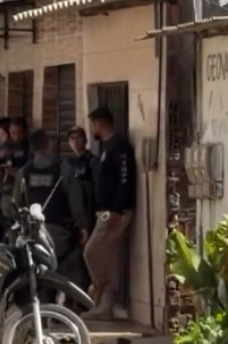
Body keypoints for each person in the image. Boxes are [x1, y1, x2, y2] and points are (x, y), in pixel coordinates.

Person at [13, 130, 89, 292]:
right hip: (60, 234)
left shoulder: (24, 173)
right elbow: (76, 202)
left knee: (40, 274)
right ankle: (66, 309)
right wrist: (83, 226)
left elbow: (16, 204)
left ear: (32, 148)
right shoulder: (64, 169)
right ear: (48, 144)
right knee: (72, 270)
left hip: (33, 234)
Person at [83, 107, 137, 320]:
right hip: (105, 210)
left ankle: (98, 286)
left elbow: (125, 179)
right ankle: (105, 306)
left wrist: (117, 209)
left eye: (93, 124)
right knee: (111, 259)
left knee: (91, 252)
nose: (92, 129)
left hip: (115, 212)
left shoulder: (119, 145)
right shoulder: (105, 146)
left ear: (100, 123)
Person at [66, 126, 99, 227]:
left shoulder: (92, 161)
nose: (75, 141)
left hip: (90, 210)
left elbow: (97, 186)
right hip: (73, 211)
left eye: (78, 137)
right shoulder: (67, 163)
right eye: (72, 138)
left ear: (85, 141)